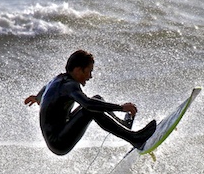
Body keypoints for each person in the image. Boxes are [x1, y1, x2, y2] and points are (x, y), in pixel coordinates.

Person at [24, 50, 156, 156]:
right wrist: (121, 108)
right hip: (58, 142)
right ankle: (135, 139)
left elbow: (45, 90)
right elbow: (87, 104)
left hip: (62, 129)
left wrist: (37, 97)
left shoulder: (58, 79)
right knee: (89, 109)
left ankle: (125, 126)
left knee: (96, 99)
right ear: (78, 70)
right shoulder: (70, 86)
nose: (90, 76)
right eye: (89, 71)